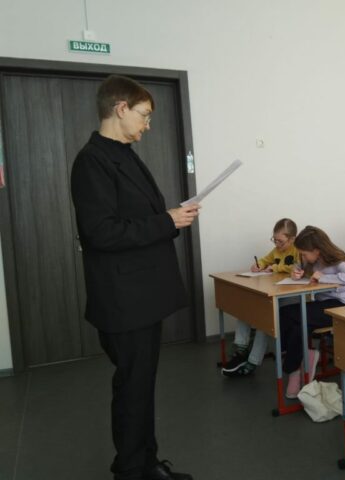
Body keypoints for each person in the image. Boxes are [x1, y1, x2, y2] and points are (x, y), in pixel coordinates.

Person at [71, 75, 198, 480]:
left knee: (141, 386)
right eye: (144, 115)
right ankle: (130, 470)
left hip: (141, 295)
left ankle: (144, 462)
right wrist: (167, 221)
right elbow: (101, 232)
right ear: (120, 108)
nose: (148, 124)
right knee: (133, 387)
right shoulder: (92, 160)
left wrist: (173, 217)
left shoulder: (125, 154)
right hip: (124, 299)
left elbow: (139, 217)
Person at [279, 226, 345, 399]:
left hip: (340, 305)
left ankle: (293, 366)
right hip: (322, 304)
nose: (303, 257)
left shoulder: (337, 260)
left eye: (304, 254)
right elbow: (300, 266)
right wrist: (296, 272)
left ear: (316, 250)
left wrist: (323, 277)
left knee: (287, 314)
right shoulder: (312, 260)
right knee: (297, 324)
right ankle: (301, 362)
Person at [221, 218, 300, 377]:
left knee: (265, 317)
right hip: (275, 290)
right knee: (246, 306)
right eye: (274, 240)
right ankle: (241, 346)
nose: (277, 244)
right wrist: (258, 266)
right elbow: (264, 260)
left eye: (280, 241)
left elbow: (297, 266)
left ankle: (253, 360)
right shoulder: (276, 250)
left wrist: (275, 267)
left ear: (292, 239)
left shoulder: (298, 249)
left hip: (291, 296)